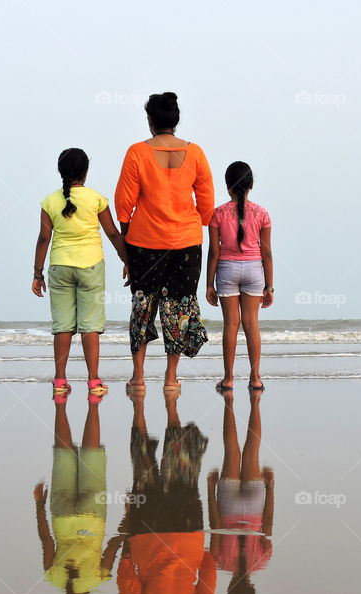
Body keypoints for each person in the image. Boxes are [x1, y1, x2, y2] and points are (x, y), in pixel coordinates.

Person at [114, 92, 214, 394]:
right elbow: (207, 208)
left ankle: (139, 378)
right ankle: (171, 380)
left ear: (150, 121)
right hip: (186, 243)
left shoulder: (136, 153)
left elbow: (123, 206)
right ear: (176, 121)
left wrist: (128, 251)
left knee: (143, 307)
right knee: (178, 308)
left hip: (145, 243)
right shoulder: (196, 153)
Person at [115, 392, 215, 594]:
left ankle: (173, 407)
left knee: (182, 474)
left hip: (188, 534)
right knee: (144, 472)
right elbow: (126, 580)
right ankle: (140, 406)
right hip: (147, 536)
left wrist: (199, 549)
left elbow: (208, 573)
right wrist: (128, 543)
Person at [33, 148, 129, 399]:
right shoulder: (96, 199)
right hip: (91, 266)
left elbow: (45, 238)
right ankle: (94, 381)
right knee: (90, 325)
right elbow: (113, 234)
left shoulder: (49, 201)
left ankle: (60, 381)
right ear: (86, 172)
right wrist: (127, 261)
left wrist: (37, 273)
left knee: (62, 325)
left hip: (60, 266)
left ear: (60, 172)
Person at [34, 399, 123, 594]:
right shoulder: (53, 578)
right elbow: (46, 540)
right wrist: (39, 505)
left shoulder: (99, 578)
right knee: (63, 453)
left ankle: (94, 402)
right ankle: (60, 401)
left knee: (91, 454)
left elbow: (114, 544)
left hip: (92, 517)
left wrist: (129, 519)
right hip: (62, 517)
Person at [205, 161, 274, 392]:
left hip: (227, 269)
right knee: (252, 324)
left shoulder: (218, 214)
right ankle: (255, 378)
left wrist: (208, 284)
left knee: (231, 325)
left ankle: (228, 379)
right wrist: (269, 287)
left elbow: (214, 251)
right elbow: (267, 253)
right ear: (251, 185)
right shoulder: (262, 213)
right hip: (255, 269)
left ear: (227, 187)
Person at [207, 391, 275, 594]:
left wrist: (270, 487)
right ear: (229, 587)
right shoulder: (221, 562)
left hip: (254, 507)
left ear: (252, 587)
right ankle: (229, 402)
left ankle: (255, 401)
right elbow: (216, 527)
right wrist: (210, 488)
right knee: (232, 449)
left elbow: (267, 526)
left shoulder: (261, 562)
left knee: (251, 450)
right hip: (229, 508)